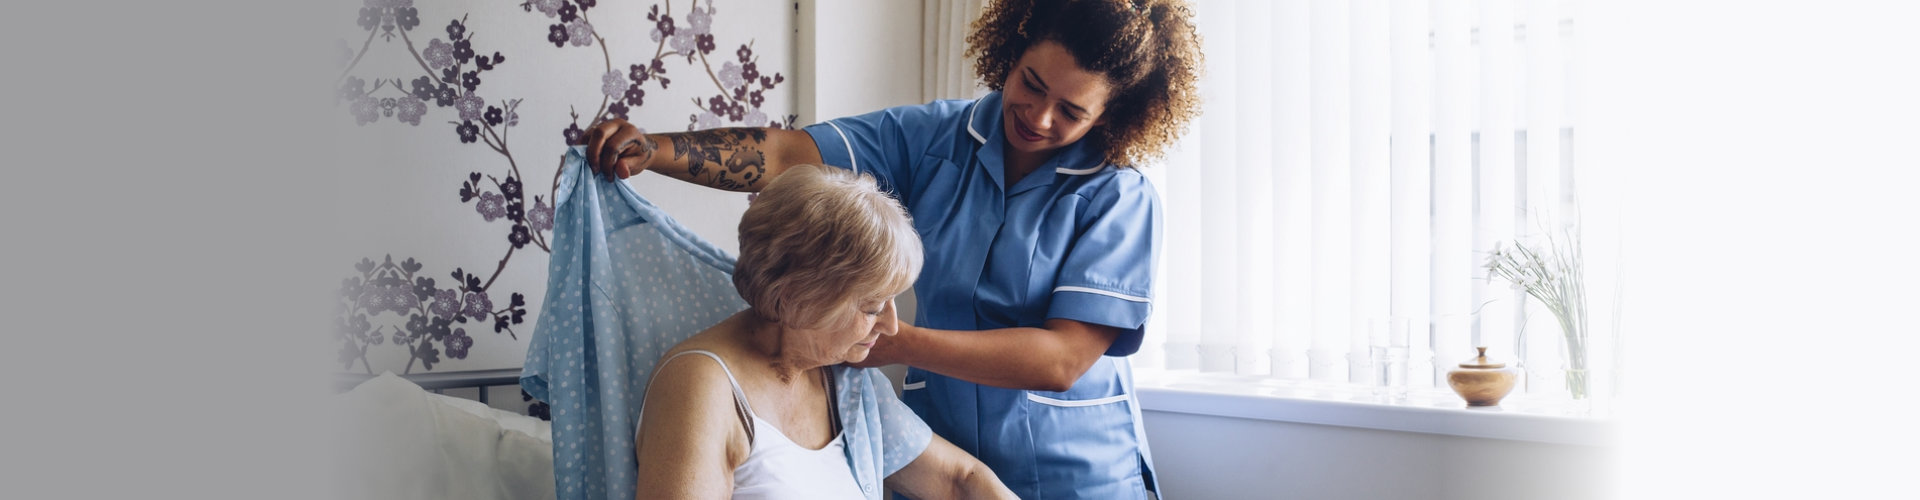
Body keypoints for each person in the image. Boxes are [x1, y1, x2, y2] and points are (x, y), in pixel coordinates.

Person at [594, 1, 1202, 498]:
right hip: (942, 454)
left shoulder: (1119, 197)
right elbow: (783, 156)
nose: (1039, 117)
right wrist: (653, 150)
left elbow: (1062, 360)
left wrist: (874, 336)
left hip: (1080, 477)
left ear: (1110, 115)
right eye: (1031, 84)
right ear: (1010, 53)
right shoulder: (933, 138)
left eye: (1070, 110)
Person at [634, 164, 1016, 499]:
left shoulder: (846, 380)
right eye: (871, 307)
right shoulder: (702, 388)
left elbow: (960, 480)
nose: (891, 325)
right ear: (797, 298)